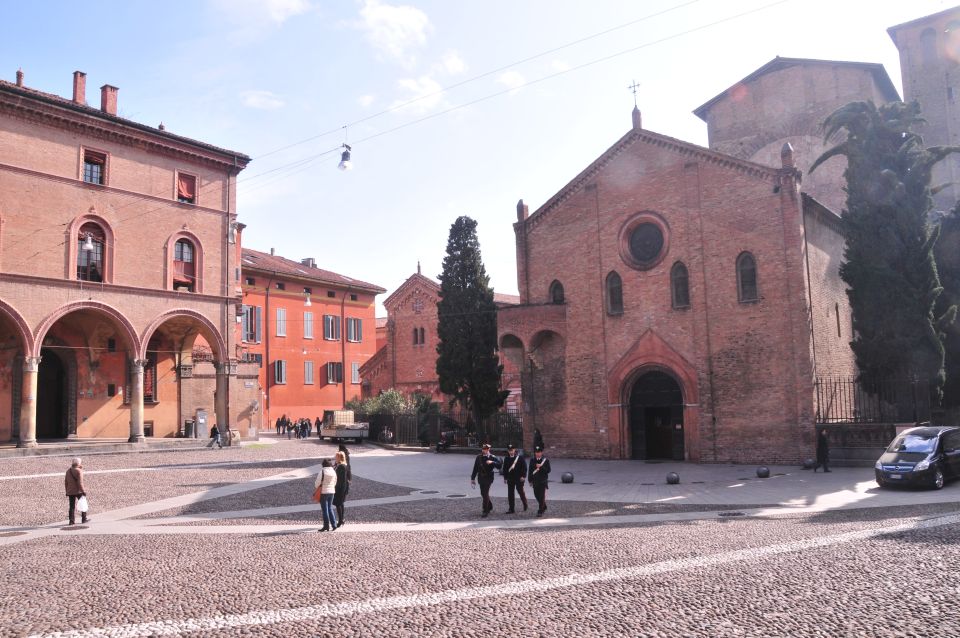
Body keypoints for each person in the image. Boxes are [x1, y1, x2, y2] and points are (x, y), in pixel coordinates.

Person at [470, 443, 502, 517]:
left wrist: (492, 462)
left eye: (486, 449)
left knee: (485, 492)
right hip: (481, 477)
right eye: (484, 449)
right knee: (483, 493)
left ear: (489, 449)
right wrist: (472, 478)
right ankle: (490, 505)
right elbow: (475, 468)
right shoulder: (478, 457)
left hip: (489, 477)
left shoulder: (492, 457)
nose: (485, 450)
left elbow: (499, 466)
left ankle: (485, 510)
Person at [501, 443, 528, 513]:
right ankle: (511, 509)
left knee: (520, 492)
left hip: (519, 478)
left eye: (512, 450)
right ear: (508, 451)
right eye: (509, 450)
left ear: (514, 450)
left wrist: (523, 476)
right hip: (510, 478)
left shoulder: (520, 458)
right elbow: (505, 469)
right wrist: (505, 478)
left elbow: (524, 468)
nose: (511, 451)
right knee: (510, 494)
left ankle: (525, 504)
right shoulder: (506, 459)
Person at [315, 459, 338, 532]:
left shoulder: (322, 471)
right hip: (331, 492)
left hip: (324, 492)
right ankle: (334, 525)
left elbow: (317, 483)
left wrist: (316, 487)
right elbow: (335, 481)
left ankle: (326, 526)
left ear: (323, 464)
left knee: (325, 510)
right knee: (330, 508)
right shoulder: (333, 471)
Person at [64, 457, 89, 525]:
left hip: (70, 491)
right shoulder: (79, 471)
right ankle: (84, 519)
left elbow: (66, 482)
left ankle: (71, 521)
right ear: (79, 463)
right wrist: (83, 491)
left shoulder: (68, 471)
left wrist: (67, 491)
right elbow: (80, 483)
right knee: (83, 503)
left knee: (72, 506)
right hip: (78, 491)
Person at [528, 446, 551, 517]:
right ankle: (543, 505)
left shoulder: (545, 460)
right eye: (536, 452)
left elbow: (548, 470)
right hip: (535, 481)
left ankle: (540, 511)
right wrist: (530, 480)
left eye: (539, 452)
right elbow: (530, 471)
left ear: (541, 453)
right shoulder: (532, 460)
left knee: (541, 496)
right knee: (536, 495)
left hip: (542, 481)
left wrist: (541, 467)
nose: (537, 454)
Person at [333, 450, 351, 528]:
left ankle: (340, 521)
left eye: (336, 457)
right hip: (342, 488)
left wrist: (338, 490)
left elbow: (342, 480)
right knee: (341, 504)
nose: (334, 458)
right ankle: (342, 519)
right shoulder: (341, 465)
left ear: (340, 458)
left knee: (338, 504)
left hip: (340, 489)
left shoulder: (342, 467)